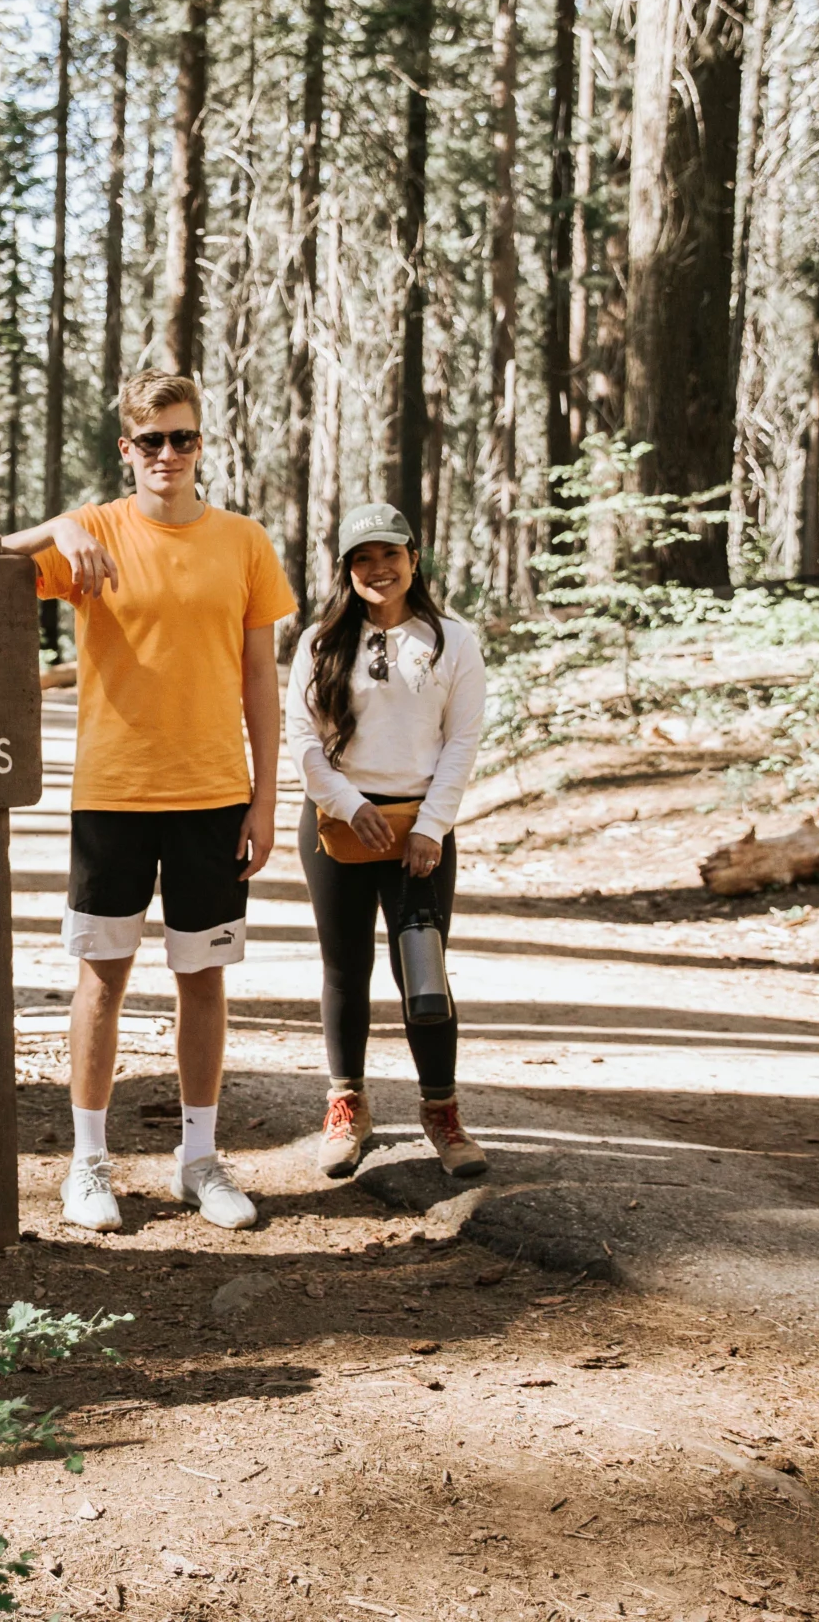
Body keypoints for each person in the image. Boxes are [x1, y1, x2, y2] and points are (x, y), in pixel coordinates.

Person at [3, 371, 296, 1234]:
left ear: (201, 444)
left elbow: (259, 682)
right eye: (152, 440)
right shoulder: (90, 535)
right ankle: (87, 1163)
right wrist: (56, 523)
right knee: (101, 980)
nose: (170, 454)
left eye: (184, 437)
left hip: (213, 793)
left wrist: (265, 798)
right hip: (113, 791)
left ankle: (198, 1161)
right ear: (127, 450)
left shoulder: (243, 542)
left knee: (201, 978)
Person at [286, 501, 489, 1181]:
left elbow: (461, 740)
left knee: (422, 972)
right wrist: (345, 803)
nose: (379, 569)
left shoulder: (452, 642)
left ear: (413, 557)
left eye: (390, 554)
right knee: (345, 969)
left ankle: (442, 1110)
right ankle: (347, 1106)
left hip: (418, 837)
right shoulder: (319, 641)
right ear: (346, 568)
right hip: (336, 829)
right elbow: (303, 739)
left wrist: (431, 826)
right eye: (363, 558)